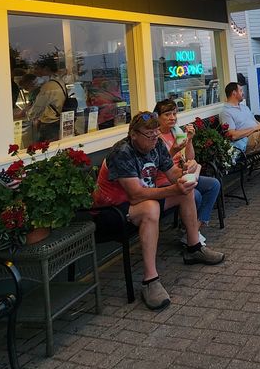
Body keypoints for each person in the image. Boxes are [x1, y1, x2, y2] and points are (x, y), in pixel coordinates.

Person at [93, 111, 225, 311]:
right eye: (149, 134)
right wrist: (174, 189)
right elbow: (136, 195)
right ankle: (150, 280)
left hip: (137, 202)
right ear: (134, 134)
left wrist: (187, 172)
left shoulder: (157, 145)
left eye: (156, 133)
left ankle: (194, 247)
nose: (155, 138)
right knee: (151, 207)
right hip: (110, 212)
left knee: (186, 192)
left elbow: (172, 175)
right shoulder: (122, 152)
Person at [153, 98, 221, 245]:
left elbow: (190, 157)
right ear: (157, 117)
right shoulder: (155, 138)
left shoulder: (176, 132)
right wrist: (173, 150)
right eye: (167, 114)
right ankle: (192, 234)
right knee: (195, 195)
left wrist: (189, 140)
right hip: (164, 180)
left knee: (213, 184)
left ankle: (193, 229)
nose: (172, 118)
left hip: (183, 175)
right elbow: (156, 166)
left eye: (174, 114)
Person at [26, 57, 67, 142]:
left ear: (46, 69)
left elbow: (38, 106)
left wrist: (29, 115)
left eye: (37, 68)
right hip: (59, 120)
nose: (35, 71)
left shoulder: (48, 86)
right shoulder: (59, 81)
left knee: (45, 147)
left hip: (50, 124)